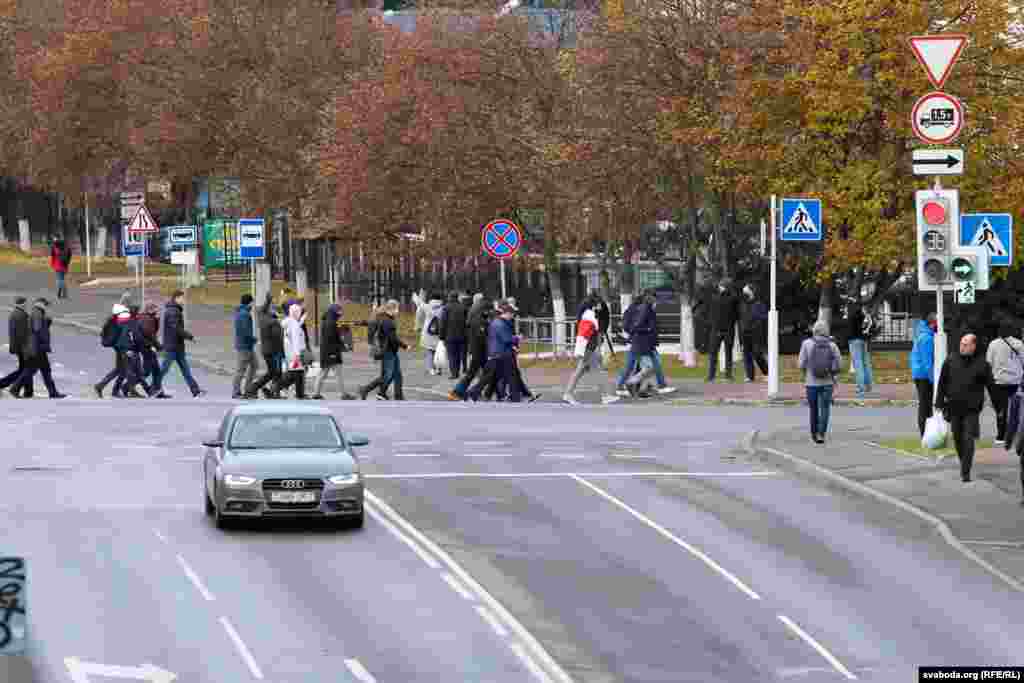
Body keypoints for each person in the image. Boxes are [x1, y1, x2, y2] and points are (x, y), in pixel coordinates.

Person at [936, 333, 994, 483]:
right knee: (957, 437)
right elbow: (942, 382)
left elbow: (991, 386)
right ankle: (964, 462)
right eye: (961, 344)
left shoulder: (982, 364)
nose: (962, 347)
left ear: (973, 346)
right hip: (954, 407)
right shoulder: (951, 360)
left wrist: (998, 406)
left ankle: (965, 471)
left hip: (972, 409)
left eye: (966, 344)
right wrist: (939, 403)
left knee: (968, 438)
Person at [564, 299, 618, 405]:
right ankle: (605, 396)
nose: (601, 306)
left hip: (588, 347)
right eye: (599, 304)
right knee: (597, 370)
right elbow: (587, 334)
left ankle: (568, 393)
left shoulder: (589, 315)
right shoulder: (590, 316)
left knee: (581, 370)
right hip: (588, 348)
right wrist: (593, 350)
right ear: (594, 305)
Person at [10, 298, 66, 399]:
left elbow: (38, 328)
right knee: (33, 370)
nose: (48, 307)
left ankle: (52, 392)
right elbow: (37, 329)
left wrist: (47, 322)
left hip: (38, 347)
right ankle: (15, 388)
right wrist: (46, 323)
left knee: (44, 370)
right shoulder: (37, 313)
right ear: (41, 304)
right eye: (46, 305)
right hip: (37, 347)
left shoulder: (38, 313)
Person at [798, 320, 841, 444]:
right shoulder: (832, 345)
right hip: (828, 383)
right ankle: (821, 434)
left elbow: (801, 364)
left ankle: (814, 434)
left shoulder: (806, 344)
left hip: (811, 383)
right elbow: (839, 364)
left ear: (814, 330)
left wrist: (806, 371)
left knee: (813, 409)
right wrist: (833, 373)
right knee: (825, 408)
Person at [468, 302, 520, 402]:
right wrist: (517, 338)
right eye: (512, 314)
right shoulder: (500, 324)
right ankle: (514, 396)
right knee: (511, 375)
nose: (513, 316)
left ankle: (475, 392)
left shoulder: (498, 322)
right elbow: (506, 339)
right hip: (501, 353)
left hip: (497, 353)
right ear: (507, 313)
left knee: (491, 377)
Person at [159, 290, 205, 397]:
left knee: (186, 370)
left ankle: (196, 391)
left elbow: (177, 328)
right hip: (172, 346)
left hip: (177, 346)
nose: (184, 300)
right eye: (182, 298)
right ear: (177, 298)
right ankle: (153, 387)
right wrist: (189, 336)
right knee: (164, 369)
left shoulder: (175, 310)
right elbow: (176, 328)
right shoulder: (173, 311)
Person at [359, 300, 407, 400]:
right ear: (392, 309)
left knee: (397, 375)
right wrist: (404, 346)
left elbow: (372, 323)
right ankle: (367, 389)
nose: (398, 311)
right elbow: (392, 338)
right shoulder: (387, 321)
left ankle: (395, 395)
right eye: (397, 309)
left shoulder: (386, 318)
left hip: (390, 350)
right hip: (387, 351)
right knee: (387, 375)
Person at [986, 323, 1024, 445]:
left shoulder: (993, 344)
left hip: (999, 382)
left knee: (1001, 410)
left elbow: (988, 363)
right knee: (1016, 409)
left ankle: (1001, 436)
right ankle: (1016, 434)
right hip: (1016, 381)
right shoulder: (1019, 344)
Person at [449, 295, 493, 400]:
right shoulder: (480, 320)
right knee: (478, 373)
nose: (490, 312)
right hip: (479, 350)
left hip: (477, 349)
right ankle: (463, 392)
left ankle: (475, 392)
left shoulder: (474, 315)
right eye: (489, 310)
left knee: (482, 373)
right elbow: (482, 336)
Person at [313, 303, 356, 400]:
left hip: (327, 352)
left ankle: (316, 393)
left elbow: (332, 336)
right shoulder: (331, 323)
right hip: (332, 352)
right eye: (339, 311)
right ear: (334, 311)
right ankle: (343, 394)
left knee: (323, 373)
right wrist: (342, 346)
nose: (340, 313)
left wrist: (340, 330)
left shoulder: (328, 321)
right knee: (336, 374)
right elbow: (332, 338)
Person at [247, 293, 284, 399]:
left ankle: (261, 389)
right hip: (274, 351)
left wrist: (268, 301)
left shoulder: (262, 318)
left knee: (272, 372)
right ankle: (259, 389)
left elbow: (263, 309)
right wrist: (282, 351)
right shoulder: (274, 323)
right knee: (276, 372)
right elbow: (278, 338)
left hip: (266, 350)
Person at [910, 313, 938, 437]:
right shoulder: (927, 338)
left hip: (919, 373)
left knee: (925, 404)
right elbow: (928, 362)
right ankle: (925, 434)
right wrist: (933, 379)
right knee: (925, 405)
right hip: (924, 375)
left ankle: (926, 433)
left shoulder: (922, 334)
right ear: (932, 324)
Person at [707, 279, 740, 382]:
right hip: (723, 329)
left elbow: (736, 313)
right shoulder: (719, 297)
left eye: (721, 285)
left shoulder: (723, 298)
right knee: (720, 353)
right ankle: (720, 375)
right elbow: (712, 313)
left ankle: (717, 375)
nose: (719, 287)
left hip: (722, 329)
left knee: (719, 353)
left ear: (725, 287)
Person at [275, 303, 309, 399]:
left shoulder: (288, 322)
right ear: (296, 313)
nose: (300, 314)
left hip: (289, 351)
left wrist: (302, 319)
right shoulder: (294, 324)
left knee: (298, 372)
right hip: (295, 352)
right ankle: (276, 388)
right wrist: (297, 354)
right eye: (299, 312)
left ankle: (299, 393)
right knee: (295, 374)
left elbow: (294, 329)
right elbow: (295, 339)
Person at [1, 297, 31, 397]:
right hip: (23, 347)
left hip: (19, 347)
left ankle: (28, 391)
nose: (26, 305)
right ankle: (3, 384)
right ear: (22, 304)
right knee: (24, 370)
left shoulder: (15, 313)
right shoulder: (21, 315)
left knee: (25, 369)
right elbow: (23, 334)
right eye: (25, 303)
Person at [739, 284, 769, 382]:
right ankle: (750, 376)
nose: (744, 293)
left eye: (745, 291)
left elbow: (765, 317)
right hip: (745, 332)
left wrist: (757, 320)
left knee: (757, 353)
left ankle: (767, 372)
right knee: (746, 355)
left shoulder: (759, 304)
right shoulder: (742, 304)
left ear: (751, 291)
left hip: (756, 332)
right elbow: (741, 318)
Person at [139, 302, 169, 398]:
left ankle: (157, 391)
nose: (157, 311)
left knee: (156, 371)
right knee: (147, 371)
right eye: (155, 309)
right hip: (147, 347)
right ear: (150, 310)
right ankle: (126, 386)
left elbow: (154, 331)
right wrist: (158, 346)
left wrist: (157, 320)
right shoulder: (146, 319)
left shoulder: (150, 318)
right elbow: (150, 335)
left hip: (149, 347)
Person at [232, 294, 258, 399]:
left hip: (246, 346)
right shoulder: (244, 314)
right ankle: (236, 392)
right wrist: (253, 339)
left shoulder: (241, 312)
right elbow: (245, 331)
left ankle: (248, 389)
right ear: (250, 302)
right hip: (244, 346)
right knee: (241, 370)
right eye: (252, 302)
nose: (253, 304)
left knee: (254, 365)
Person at [847, 304, 874, 399]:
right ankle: (868, 386)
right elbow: (868, 327)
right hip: (863, 340)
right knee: (866, 363)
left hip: (854, 340)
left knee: (858, 364)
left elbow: (849, 327)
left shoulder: (852, 314)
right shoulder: (864, 315)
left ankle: (861, 387)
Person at [439, 292, 468, 380]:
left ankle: (454, 373)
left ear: (450, 297)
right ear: (457, 297)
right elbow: (467, 322)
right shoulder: (463, 307)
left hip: (449, 336)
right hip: (462, 335)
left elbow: (443, 323)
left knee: (452, 355)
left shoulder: (446, 308)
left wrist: (441, 336)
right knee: (458, 354)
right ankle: (458, 370)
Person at [419, 293, 444, 376]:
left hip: (428, 333)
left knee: (430, 352)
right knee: (439, 352)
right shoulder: (443, 308)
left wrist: (420, 295)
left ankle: (431, 369)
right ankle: (438, 369)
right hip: (439, 332)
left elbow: (419, 303)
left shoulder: (427, 307)